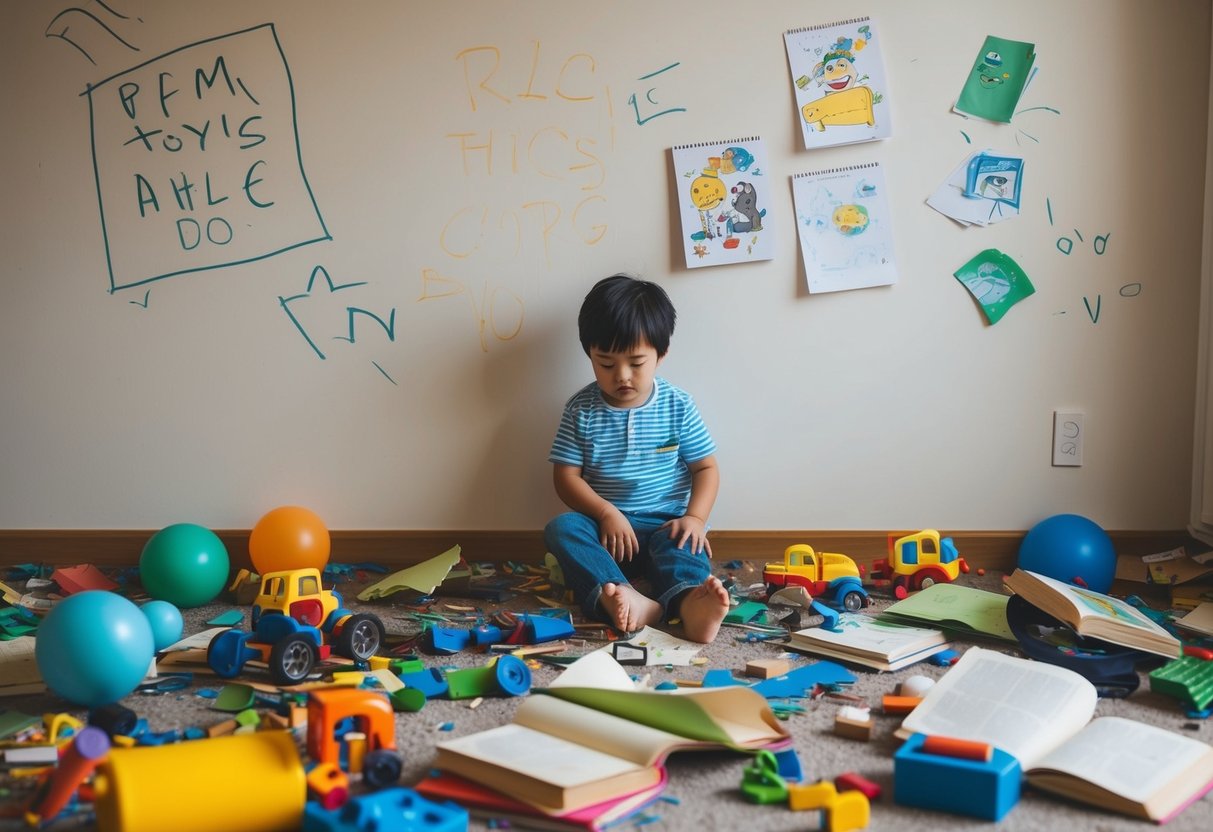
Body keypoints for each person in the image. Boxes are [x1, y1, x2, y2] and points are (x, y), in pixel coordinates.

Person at [544, 274, 729, 643]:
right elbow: (565, 477)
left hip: (666, 527)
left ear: (661, 355)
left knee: (686, 549)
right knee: (562, 529)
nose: (622, 376)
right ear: (590, 356)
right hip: (608, 533)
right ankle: (619, 594)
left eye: (636, 363)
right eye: (606, 364)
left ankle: (690, 606)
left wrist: (694, 518)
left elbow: (706, 467)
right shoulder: (581, 410)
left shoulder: (677, 406)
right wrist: (605, 513)